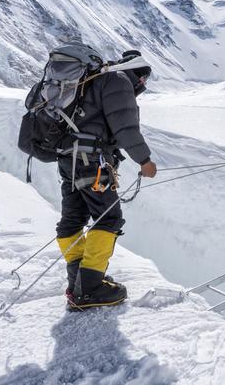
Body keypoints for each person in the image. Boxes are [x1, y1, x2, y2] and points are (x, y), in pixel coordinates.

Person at [54, 44, 157, 311]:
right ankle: (89, 290)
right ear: (139, 74)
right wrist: (144, 160)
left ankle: (79, 281)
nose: (143, 84)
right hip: (92, 161)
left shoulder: (93, 79)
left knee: (72, 219)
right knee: (108, 218)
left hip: (69, 158)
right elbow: (125, 127)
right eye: (144, 78)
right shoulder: (119, 81)